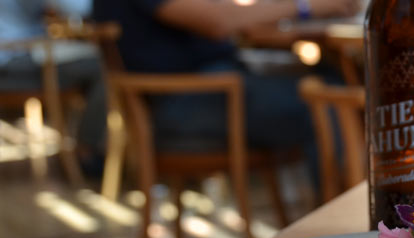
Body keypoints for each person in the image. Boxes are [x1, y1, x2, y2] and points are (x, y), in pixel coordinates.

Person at [91, 0, 360, 190]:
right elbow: (218, 21)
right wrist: (306, 6)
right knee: (328, 101)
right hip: (180, 104)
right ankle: (342, 232)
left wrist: (309, 20)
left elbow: (243, 25)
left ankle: (348, 215)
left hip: (206, 88)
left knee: (329, 79)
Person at [0, 0, 107, 168]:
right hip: (12, 59)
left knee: (100, 64)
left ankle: (87, 149)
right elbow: (79, 7)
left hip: (22, 51)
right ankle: (86, 153)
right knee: (105, 67)